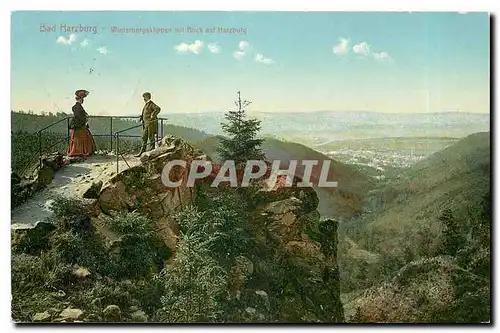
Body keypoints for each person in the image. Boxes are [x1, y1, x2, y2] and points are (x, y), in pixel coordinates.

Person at [67, 89, 95, 157]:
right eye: (82, 99)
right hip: (78, 125)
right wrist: (84, 122)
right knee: (81, 137)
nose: (83, 100)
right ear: (78, 99)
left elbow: (82, 116)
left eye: (83, 99)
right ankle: (80, 151)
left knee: (85, 136)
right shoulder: (76, 107)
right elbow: (79, 116)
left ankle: (84, 151)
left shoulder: (79, 107)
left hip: (80, 124)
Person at [135, 92, 161, 157]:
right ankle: (142, 151)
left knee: (151, 137)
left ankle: (151, 152)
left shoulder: (151, 104)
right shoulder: (146, 104)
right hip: (146, 124)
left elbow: (158, 109)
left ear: (147, 97)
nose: (143, 99)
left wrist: (153, 114)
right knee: (144, 137)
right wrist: (141, 117)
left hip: (150, 124)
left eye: (144, 97)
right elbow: (145, 112)